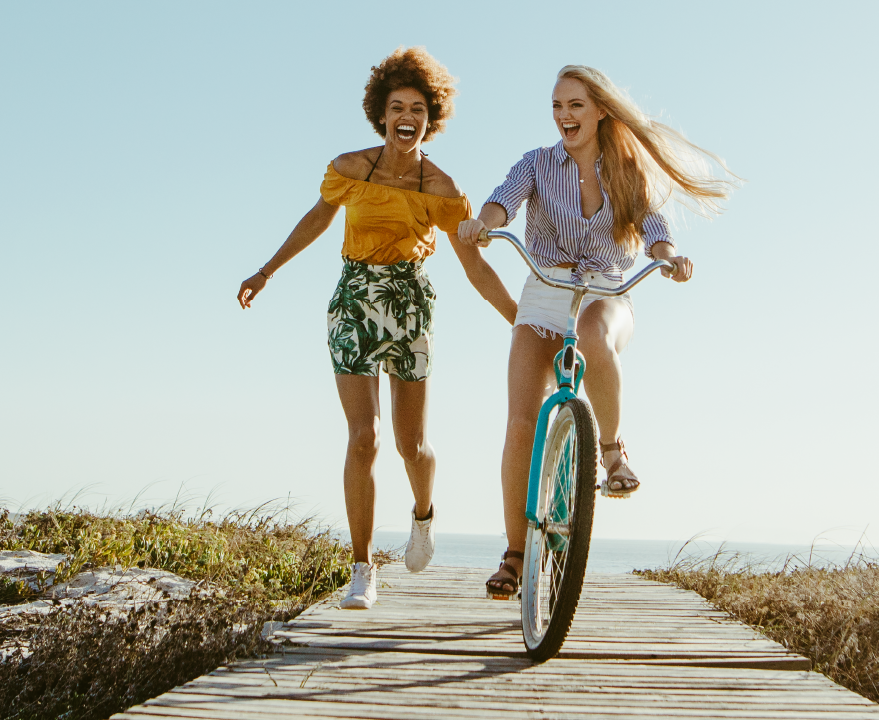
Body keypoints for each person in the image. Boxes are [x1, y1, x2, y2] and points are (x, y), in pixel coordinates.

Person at [238, 47, 513, 610]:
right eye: (396, 106)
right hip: (353, 301)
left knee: (412, 446)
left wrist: (520, 319)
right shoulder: (350, 169)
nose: (405, 115)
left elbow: (474, 264)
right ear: (381, 114)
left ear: (429, 118)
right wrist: (267, 270)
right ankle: (361, 568)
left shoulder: (438, 187)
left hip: (409, 303)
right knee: (364, 437)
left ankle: (422, 515)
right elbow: (317, 217)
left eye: (417, 107)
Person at [457, 65, 737, 599]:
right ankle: (515, 555)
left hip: (607, 290)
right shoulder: (537, 163)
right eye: (558, 106)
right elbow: (502, 200)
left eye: (576, 106)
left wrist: (669, 256)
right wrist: (486, 224)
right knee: (520, 423)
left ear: (600, 110)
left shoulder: (626, 170)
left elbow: (654, 227)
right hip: (544, 288)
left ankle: (610, 452)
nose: (564, 116)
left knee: (592, 337)